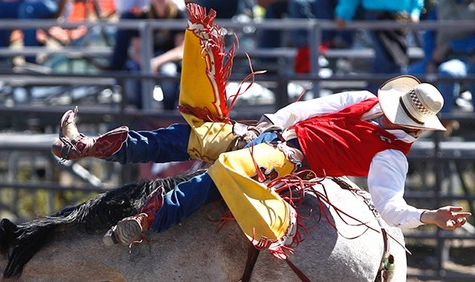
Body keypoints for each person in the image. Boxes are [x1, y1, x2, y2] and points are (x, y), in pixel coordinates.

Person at [52, 5, 470, 248]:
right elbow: (309, 108)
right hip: (274, 135)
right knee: (198, 137)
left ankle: (149, 219)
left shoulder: (390, 154)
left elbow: (388, 206)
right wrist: (268, 122)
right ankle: (90, 146)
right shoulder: (365, 104)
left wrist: (427, 215)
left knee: (229, 170)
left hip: (291, 161)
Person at [104, 0, 185, 110]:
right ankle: (140, 113)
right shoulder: (144, 15)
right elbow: (136, 50)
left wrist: (156, 62)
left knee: (168, 72)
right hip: (147, 59)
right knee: (133, 75)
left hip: (167, 60)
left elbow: (180, 50)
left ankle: (168, 112)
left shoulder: (178, 15)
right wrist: (147, 63)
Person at [408, 0, 475, 121]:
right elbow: (429, 34)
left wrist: (452, 45)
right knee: (408, 76)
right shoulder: (442, 5)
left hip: (466, 59)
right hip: (438, 57)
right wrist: (430, 60)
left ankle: (444, 121)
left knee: (447, 72)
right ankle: (405, 124)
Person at [335, 0, 425, 89]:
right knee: (389, 62)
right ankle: (377, 97)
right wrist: (344, 14)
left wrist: (415, 11)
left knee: (391, 62)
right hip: (376, 16)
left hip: (401, 18)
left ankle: (376, 97)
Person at [0, 0, 68, 63]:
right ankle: (0, 61)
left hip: (48, 3)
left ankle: (30, 62)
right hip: (24, 4)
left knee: (28, 9)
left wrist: (58, 18)